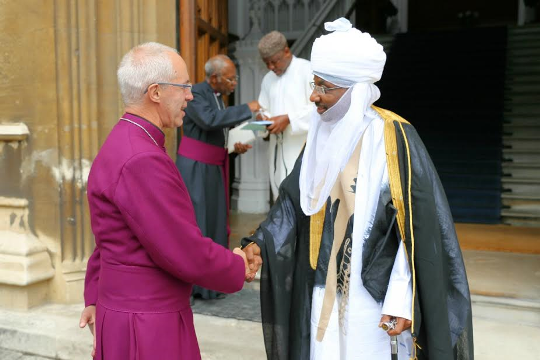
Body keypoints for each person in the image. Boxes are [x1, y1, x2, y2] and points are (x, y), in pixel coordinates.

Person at [242, 18, 474, 359]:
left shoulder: (394, 138)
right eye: (314, 84)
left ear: (354, 89)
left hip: (373, 300)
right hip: (321, 288)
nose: (313, 96)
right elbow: (293, 202)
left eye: (324, 87)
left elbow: (420, 230)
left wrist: (400, 297)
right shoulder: (321, 135)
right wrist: (261, 242)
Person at [78, 42, 259, 360]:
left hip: (124, 311)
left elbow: (108, 236)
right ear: (156, 92)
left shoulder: (124, 138)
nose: (190, 95)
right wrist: (237, 265)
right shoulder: (141, 158)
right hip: (146, 322)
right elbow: (183, 249)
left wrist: (93, 294)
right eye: (184, 86)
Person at [176, 54, 260, 300]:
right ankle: (194, 286)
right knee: (199, 225)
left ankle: (211, 285)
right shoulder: (196, 94)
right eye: (231, 78)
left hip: (213, 167)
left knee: (214, 225)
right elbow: (209, 121)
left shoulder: (218, 97)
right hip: (195, 169)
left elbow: (217, 133)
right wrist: (247, 109)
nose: (234, 83)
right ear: (214, 77)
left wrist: (233, 148)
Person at [257, 31, 315, 200]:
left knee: (302, 199)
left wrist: (289, 119)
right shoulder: (268, 79)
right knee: (280, 197)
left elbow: (320, 110)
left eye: (274, 62)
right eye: (266, 63)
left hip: (303, 149)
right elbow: (263, 108)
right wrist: (262, 118)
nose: (271, 67)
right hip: (277, 148)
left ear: (287, 51)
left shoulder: (307, 70)